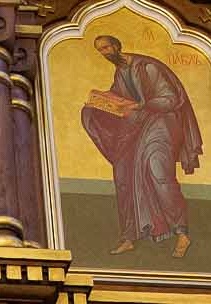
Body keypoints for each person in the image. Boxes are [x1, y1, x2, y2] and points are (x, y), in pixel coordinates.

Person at [78, 32, 202, 259]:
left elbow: (170, 99)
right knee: (123, 174)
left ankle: (182, 232)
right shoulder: (120, 72)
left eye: (106, 48)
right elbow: (119, 97)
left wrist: (141, 105)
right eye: (100, 50)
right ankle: (129, 237)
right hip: (137, 125)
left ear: (117, 46)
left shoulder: (147, 68)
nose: (104, 53)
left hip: (162, 122)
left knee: (158, 170)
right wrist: (100, 102)